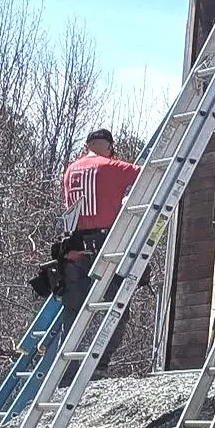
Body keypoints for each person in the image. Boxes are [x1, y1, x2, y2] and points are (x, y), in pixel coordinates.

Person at [53, 128, 142, 320]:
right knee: (114, 314)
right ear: (109, 146)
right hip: (103, 248)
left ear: (87, 146)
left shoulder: (70, 171)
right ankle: (106, 351)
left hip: (73, 250)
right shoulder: (112, 167)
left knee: (73, 313)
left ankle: (65, 349)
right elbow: (149, 175)